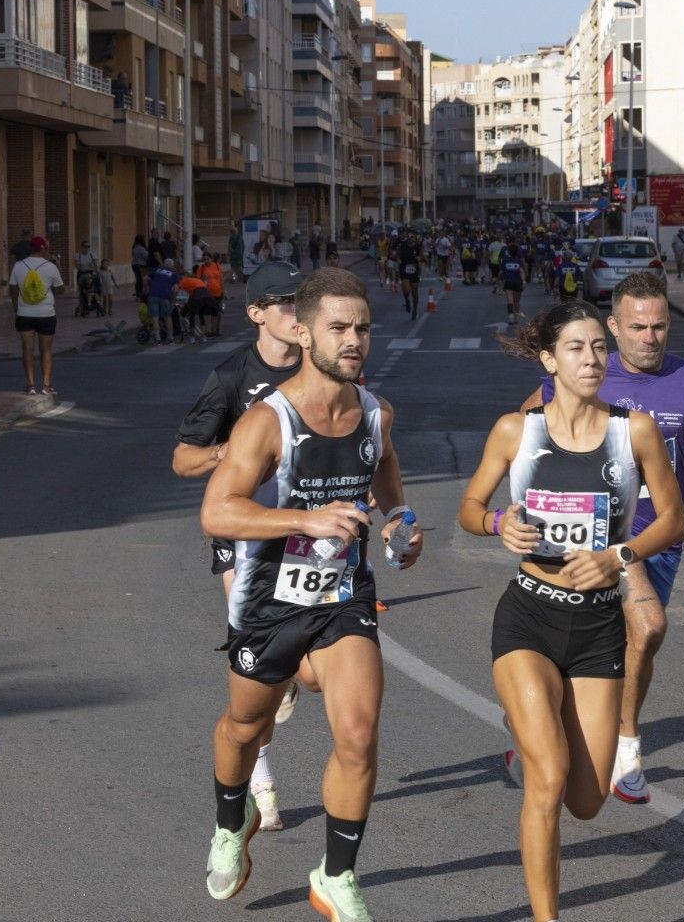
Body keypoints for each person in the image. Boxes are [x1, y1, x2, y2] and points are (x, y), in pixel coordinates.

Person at [200, 268, 420, 916]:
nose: (354, 340)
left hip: (341, 595)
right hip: (267, 600)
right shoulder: (268, 423)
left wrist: (401, 524)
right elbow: (217, 512)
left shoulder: (376, 413)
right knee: (244, 726)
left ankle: (335, 874)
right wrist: (303, 518)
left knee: (357, 732)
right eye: (339, 328)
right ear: (303, 332)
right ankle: (228, 821)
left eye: (362, 329)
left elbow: (385, 477)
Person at [457, 301, 684, 922]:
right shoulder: (515, 431)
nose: (591, 359)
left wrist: (620, 555)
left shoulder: (632, 431)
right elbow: (470, 507)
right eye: (577, 349)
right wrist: (497, 523)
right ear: (548, 360)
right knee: (549, 779)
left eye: (597, 348)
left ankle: (536, 725)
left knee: (587, 800)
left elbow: (672, 519)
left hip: (598, 624)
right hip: (529, 616)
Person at [522, 273, 684, 805]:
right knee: (650, 624)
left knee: (617, 645)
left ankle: (532, 726)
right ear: (614, 326)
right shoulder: (590, 372)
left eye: (659, 326)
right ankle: (626, 747)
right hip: (599, 536)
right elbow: (525, 429)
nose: (649, 337)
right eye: (637, 326)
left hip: (662, 538)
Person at [174, 261, 306, 833]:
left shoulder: (322, 367)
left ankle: (287, 680)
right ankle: (260, 774)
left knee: (294, 667)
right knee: (258, 654)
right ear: (255, 313)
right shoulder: (231, 378)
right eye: (283, 302)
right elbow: (182, 459)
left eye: (302, 301)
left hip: (313, 531)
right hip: (244, 535)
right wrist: (228, 456)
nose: (295, 312)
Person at [9, 235, 65, 397]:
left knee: (27, 349)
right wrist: (57, 266)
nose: (48, 251)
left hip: (24, 313)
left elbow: (13, 289)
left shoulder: (18, 266)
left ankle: (30, 385)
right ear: (42, 249)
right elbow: (61, 288)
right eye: (47, 248)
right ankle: (46, 385)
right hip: (46, 313)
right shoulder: (50, 266)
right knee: (46, 350)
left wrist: (16, 307)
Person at [146, 252, 179, 344]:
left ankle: (157, 339)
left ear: (164, 264)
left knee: (155, 318)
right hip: (165, 297)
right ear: (172, 266)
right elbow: (176, 289)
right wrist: (173, 300)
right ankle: (171, 338)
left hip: (153, 295)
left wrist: (147, 289)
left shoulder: (157, 269)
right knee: (167, 317)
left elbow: (146, 278)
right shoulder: (174, 273)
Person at [397, 233, 423, 320]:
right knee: (406, 290)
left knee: (415, 294)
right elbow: (397, 255)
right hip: (404, 270)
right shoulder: (403, 245)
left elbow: (423, 256)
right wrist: (398, 259)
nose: (410, 238)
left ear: (415, 238)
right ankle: (407, 300)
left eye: (412, 237)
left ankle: (415, 310)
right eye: (409, 237)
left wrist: (420, 258)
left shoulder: (418, 246)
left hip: (414, 271)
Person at [501, 242, 527, 323]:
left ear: (508, 251)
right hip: (518, 282)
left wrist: (500, 279)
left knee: (510, 300)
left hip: (508, 282)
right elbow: (521, 271)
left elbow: (501, 272)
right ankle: (516, 318)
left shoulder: (505, 260)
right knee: (517, 301)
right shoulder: (519, 261)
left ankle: (511, 317)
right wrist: (524, 281)